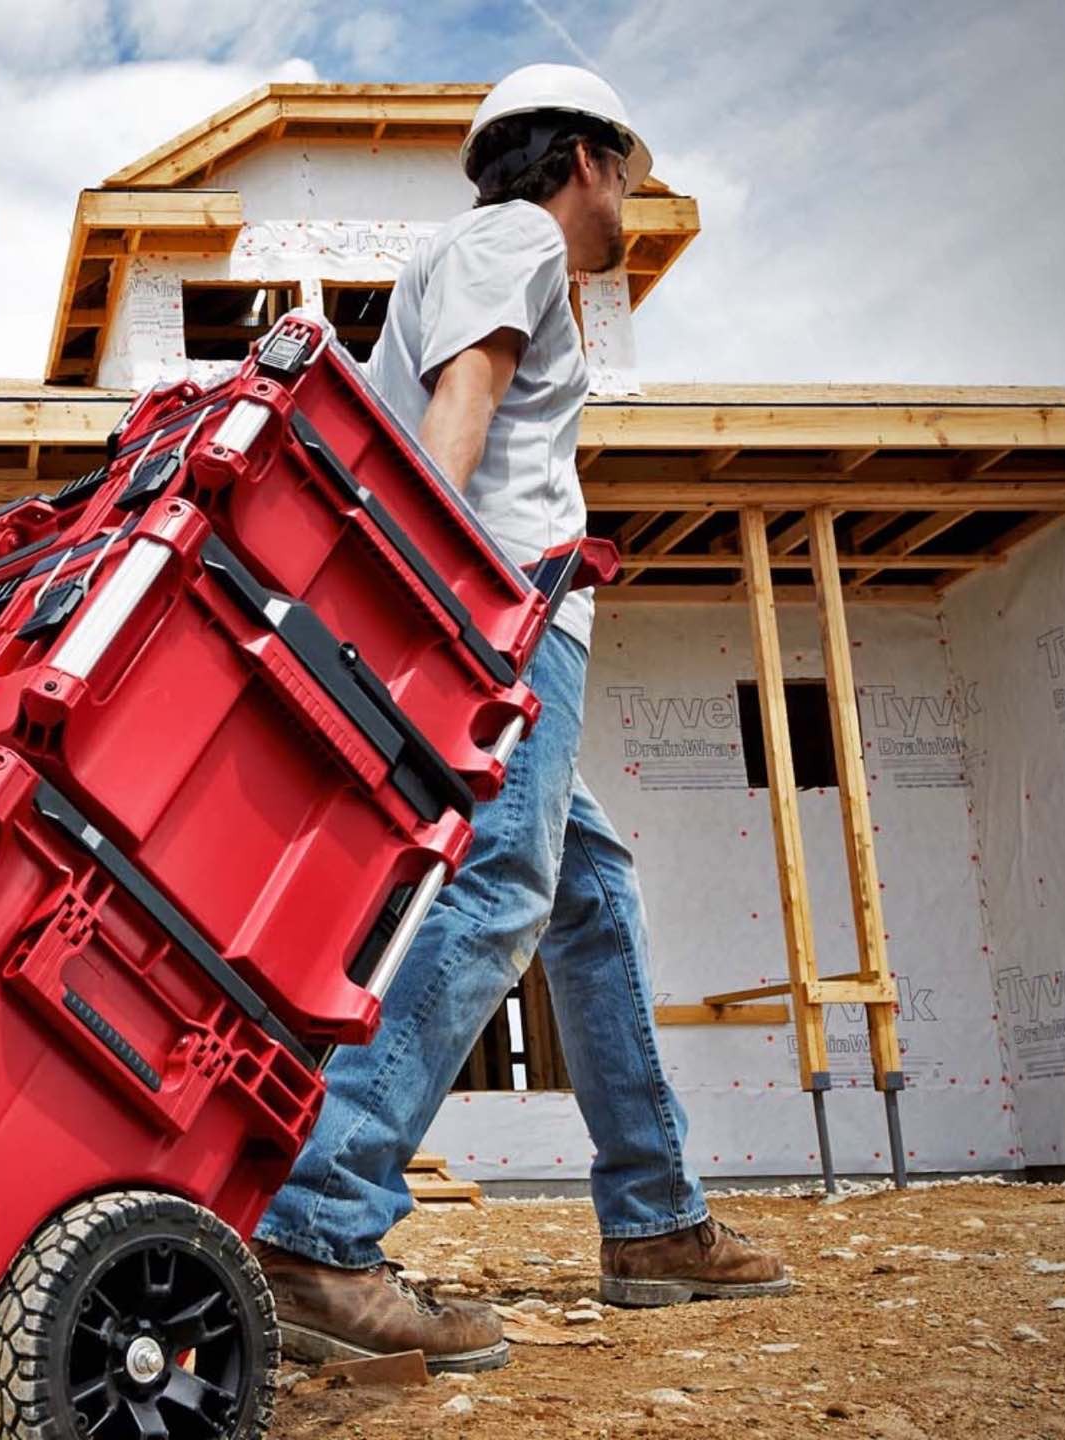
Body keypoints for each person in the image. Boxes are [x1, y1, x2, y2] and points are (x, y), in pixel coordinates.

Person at [251, 63, 791, 1374]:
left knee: (588, 895)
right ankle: (319, 1229)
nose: (633, 208)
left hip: (487, 614)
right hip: (502, 621)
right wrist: (443, 607)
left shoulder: (461, 248)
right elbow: (466, 404)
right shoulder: (513, 243)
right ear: (586, 160)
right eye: (631, 178)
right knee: (499, 891)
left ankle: (654, 1219)